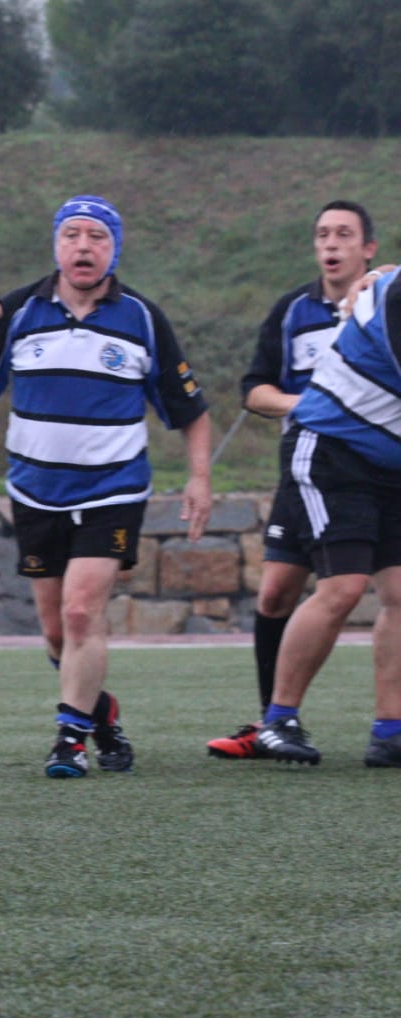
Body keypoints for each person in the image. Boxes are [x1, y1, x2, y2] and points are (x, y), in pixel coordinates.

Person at [0, 195, 212, 778]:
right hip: (34, 492)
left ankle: (70, 740)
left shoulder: (142, 319)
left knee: (83, 613)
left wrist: (200, 477)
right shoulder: (17, 313)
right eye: (73, 235)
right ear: (56, 244)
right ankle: (101, 713)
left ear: (115, 248)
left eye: (97, 237)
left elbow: (191, 411)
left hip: (113, 491)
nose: (84, 246)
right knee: (57, 631)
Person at [206, 201, 377, 760]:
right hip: (307, 465)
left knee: (356, 589)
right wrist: (303, 404)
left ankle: (381, 725)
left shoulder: (382, 307)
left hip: (370, 468)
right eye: (323, 234)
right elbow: (253, 390)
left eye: (344, 234)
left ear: (367, 248)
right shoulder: (292, 312)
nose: (331, 244)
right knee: (278, 590)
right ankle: (271, 722)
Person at [224, 262, 401, 768]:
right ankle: (277, 721)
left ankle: (391, 731)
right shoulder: (397, 296)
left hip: (388, 463)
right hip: (331, 449)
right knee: (342, 587)